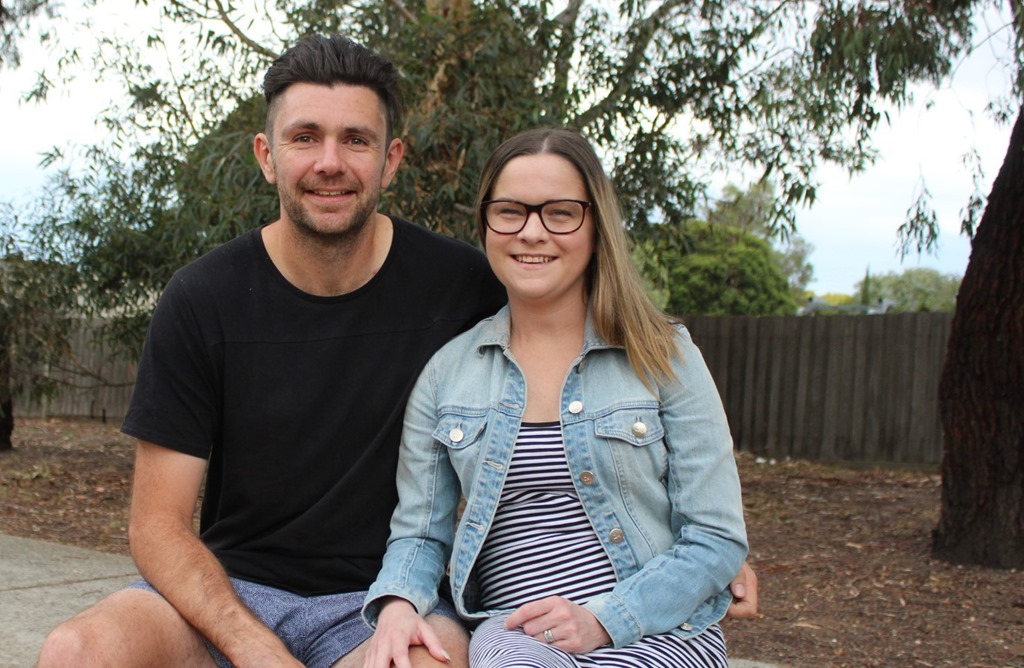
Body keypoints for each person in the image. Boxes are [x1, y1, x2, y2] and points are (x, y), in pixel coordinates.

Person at [37, 36, 756, 668]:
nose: (329, 162)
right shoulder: (202, 299)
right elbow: (156, 525)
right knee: (77, 652)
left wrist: (708, 554)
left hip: (386, 599)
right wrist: (252, 646)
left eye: (355, 139)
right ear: (266, 155)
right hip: (234, 588)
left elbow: (576, 352)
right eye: (304, 137)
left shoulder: (469, 286)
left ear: (391, 160)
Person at [362, 127, 748, 668]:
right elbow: (421, 533)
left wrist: (603, 620)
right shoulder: (447, 376)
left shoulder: (666, 356)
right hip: (518, 637)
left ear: (596, 226)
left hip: (658, 628)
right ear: (486, 222)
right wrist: (399, 604)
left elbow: (715, 536)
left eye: (560, 213)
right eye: (511, 211)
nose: (532, 232)